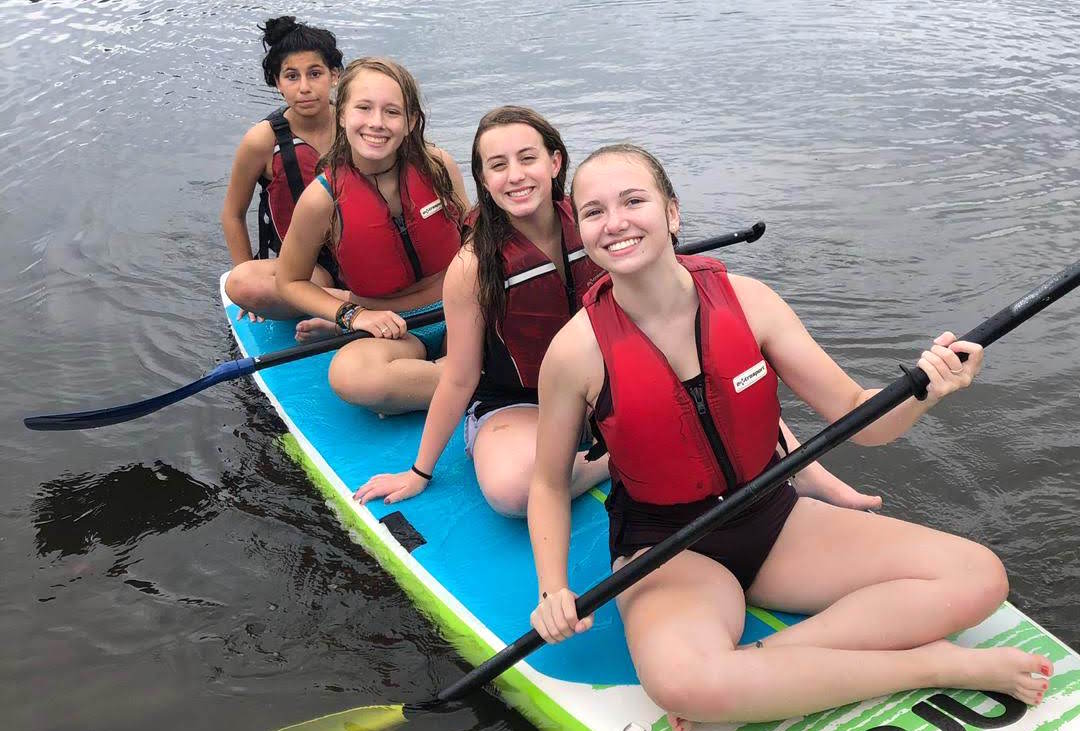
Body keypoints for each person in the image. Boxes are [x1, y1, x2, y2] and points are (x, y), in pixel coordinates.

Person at [527, 144, 1052, 731]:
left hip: (775, 519)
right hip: (667, 550)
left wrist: (927, 391)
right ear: (581, 230)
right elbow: (548, 483)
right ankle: (930, 665)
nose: (615, 222)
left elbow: (861, 417)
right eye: (594, 211)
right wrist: (553, 589)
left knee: (980, 576)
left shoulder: (750, 302)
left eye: (633, 201)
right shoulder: (575, 352)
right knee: (679, 682)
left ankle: (767, 665)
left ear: (672, 212)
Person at [353, 108, 877, 517]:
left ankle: (807, 471)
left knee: (726, 363)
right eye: (498, 165)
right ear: (483, 180)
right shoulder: (473, 267)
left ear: (555, 162)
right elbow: (460, 376)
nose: (515, 176)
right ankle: (620, 460)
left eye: (528, 158)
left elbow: (681, 301)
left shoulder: (600, 224)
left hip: (614, 382)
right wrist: (420, 472)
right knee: (514, 491)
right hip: (520, 403)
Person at [275, 57, 468, 414]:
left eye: (392, 112)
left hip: (463, 311)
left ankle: (442, 377)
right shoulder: (321, 198)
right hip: (395, 330)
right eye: (363, 108)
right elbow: (290, 282)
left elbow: (472, 240)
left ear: (411, 122)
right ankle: (475, 378)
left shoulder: (438, 166)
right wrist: (351, 316)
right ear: (341, 115)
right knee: (351, 376)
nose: (377, 123)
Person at [221, 16, 343, 321]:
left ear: (334, 76)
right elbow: (233, 214)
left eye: (315, 73)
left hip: (364, 252)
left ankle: (342, 305)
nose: (305, 87)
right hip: (308, 271)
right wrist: (251, 283)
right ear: (277, 83)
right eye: (291, 76)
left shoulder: (358, 123)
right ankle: (348, 303)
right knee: (242, 283)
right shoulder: (261, 140)